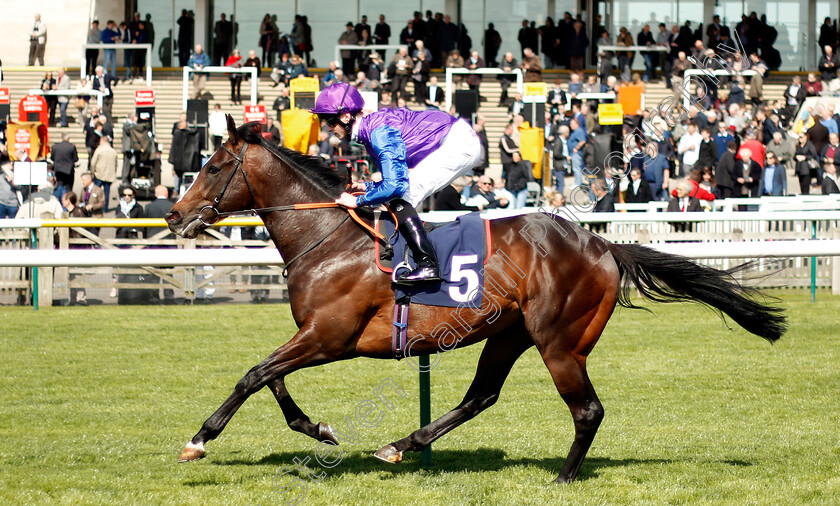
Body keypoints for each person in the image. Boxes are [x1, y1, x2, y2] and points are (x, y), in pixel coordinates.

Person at [311, 82, 481, 284]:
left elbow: (395, 187)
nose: (328, 128)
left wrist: (358, 202)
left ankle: (427, 264)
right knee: (397, 195)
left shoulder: (378, 133)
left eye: (330, 122)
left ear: (346, 117)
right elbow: (394, 178)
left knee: (400, 197)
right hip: (454, 138)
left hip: (458, 143)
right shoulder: (369, 131)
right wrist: (368, 187)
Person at [90, 137, 118, 212]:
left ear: (102, 141)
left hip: (99, 174)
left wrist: (92, 172)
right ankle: (105, 208)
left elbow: (93, 162)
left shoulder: (99, 150)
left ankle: (93, 206)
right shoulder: (113, 151)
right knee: (106, 193)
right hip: (109, 175)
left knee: (95, 191)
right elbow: (116, 164)